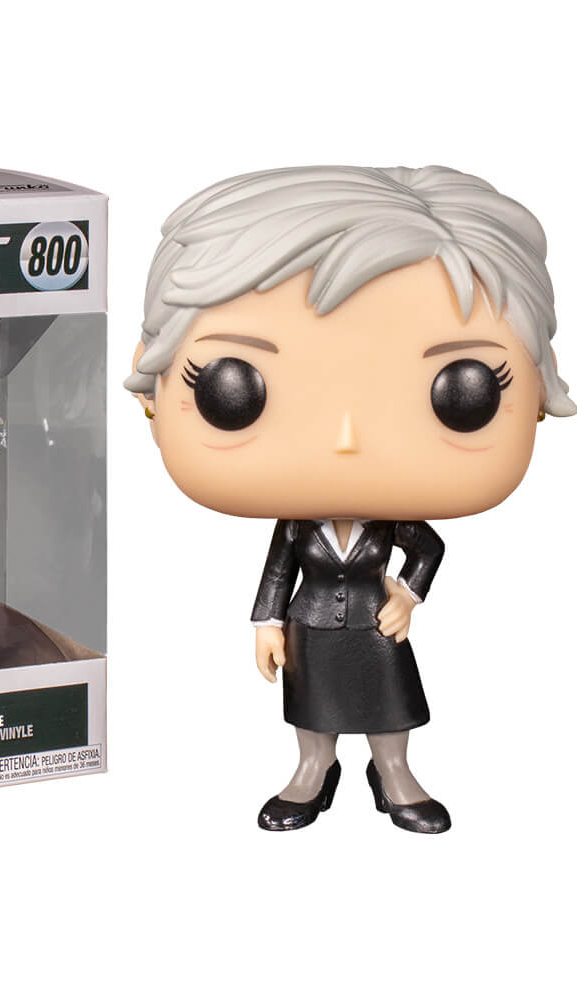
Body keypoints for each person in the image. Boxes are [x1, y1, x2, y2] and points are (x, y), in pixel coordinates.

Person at [125, 165, 573, 834]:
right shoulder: (296, 524)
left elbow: (428, 547)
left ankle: (394, 772)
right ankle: (314, 771)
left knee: (391, 708)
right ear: (151, 388)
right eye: (232, 388)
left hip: (374, 624)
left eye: (465, 391)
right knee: (313, 712)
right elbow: (278, 569)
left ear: (539, 387)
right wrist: (266, 624)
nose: (346, 440)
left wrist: (408, 595)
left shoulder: (393, 523)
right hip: (311, 625)